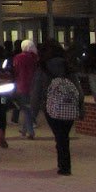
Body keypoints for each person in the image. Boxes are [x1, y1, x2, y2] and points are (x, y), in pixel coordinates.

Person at [32, 40, 79, 175]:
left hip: (51, 106)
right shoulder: (68, 66)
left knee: (60, 136)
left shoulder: (43, 67)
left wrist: (33, 113)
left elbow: (37, 91)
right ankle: (65, 164)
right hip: (69, 104)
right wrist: (80, 108)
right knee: (64, 135)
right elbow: (78, 89)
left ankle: (64, 166)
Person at [12, 39, 39, 138]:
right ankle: (24, 129)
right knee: (28, 108)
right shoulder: (35, 58)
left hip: (22, 86)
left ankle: (30, 132)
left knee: (26, 109)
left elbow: (16, 72)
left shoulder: (18, 58)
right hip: (34, 86)